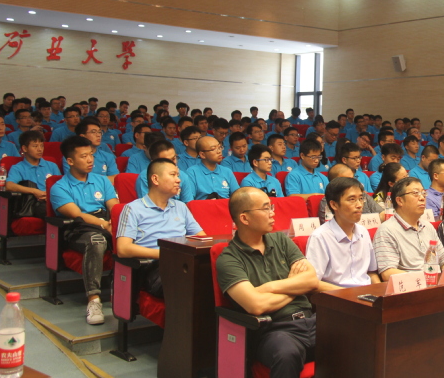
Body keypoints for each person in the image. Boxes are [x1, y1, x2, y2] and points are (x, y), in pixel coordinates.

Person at [216, 187, 318, 378]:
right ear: (244, 218)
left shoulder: (281, 240)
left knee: (354, 337)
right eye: (265, 208)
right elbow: (256, 305)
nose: (272, 213)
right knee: (287, 354)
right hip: (274, 330)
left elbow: (311, 280)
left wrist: (270, 287)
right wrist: (295, 286)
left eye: (271, 207)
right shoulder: (228, 259)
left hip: (310, 320)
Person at [50, 136, 118, 325]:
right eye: (83, 156)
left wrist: (115, 223)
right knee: (97, 240)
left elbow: (114, 206)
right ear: (70, 161)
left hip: (104, 222)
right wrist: (105, 225)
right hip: (78, 229)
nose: (90, 160)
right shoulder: (59, 187)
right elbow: (76, 214)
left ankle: (127, 292)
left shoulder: (102, 181)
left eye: (91, 155)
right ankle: (93, 300)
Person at [116, 159, 205, 297]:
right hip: (153, 267)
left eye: (178, 175)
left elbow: (202, 238)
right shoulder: (133, 209)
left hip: (183, 263)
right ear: (155, 179)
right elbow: (123, 249)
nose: (178, 180)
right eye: (173, 175)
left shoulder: (181, 207)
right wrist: (163, 254)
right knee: (189, 284)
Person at [373, 177, 444, 281]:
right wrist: (425, 278)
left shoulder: (428, 227)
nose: (422, 198)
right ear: (400, 200)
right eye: (415, 193)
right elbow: (388, 273)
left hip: (435, 283)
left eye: (423, 193)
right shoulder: (387, 230)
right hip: (412, 286)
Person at [305, 177, 380, 291]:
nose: (359, 205)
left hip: (366, 293)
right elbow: (313, 282)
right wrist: (346, 294)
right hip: (337, 295)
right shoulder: (320, 237)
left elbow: (371, 272)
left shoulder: (363, 232)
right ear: (334, 205)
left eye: (361, 199)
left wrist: (380, 291)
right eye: (352, 199)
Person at [4, 130, 60, 218]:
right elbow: (9, 185)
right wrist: (34, 191)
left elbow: (61, 185)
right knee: (49, 210)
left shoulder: (52, 165)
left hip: (54, 200)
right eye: (35, 146)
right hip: (34, 203)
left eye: (41, 145)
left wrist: (49, 196)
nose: (40, 149)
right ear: (24, 148)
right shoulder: (18, 168)